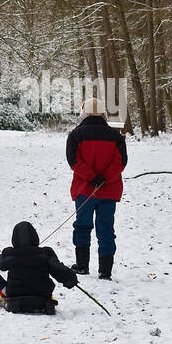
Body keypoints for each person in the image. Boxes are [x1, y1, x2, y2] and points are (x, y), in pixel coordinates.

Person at [65, 97, 127, 280]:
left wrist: (92, 178)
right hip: (108, 190)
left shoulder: (75, 135)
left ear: (83, 113)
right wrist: (105, 178)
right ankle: (105, 271)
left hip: (85, 190)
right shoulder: (116, 136)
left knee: (82, 226)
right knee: (106, 229)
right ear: (102, 113)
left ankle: (82, 265)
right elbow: (121, 162)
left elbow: (74, 161)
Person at [0, 221, 78, 314]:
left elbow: (1, 264)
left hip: (15, 293)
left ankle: (2, 295)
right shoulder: (46, 253)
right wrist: (70, 278)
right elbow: (58, 269)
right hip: (43, 293)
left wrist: (4, 255)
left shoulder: (10, 253)